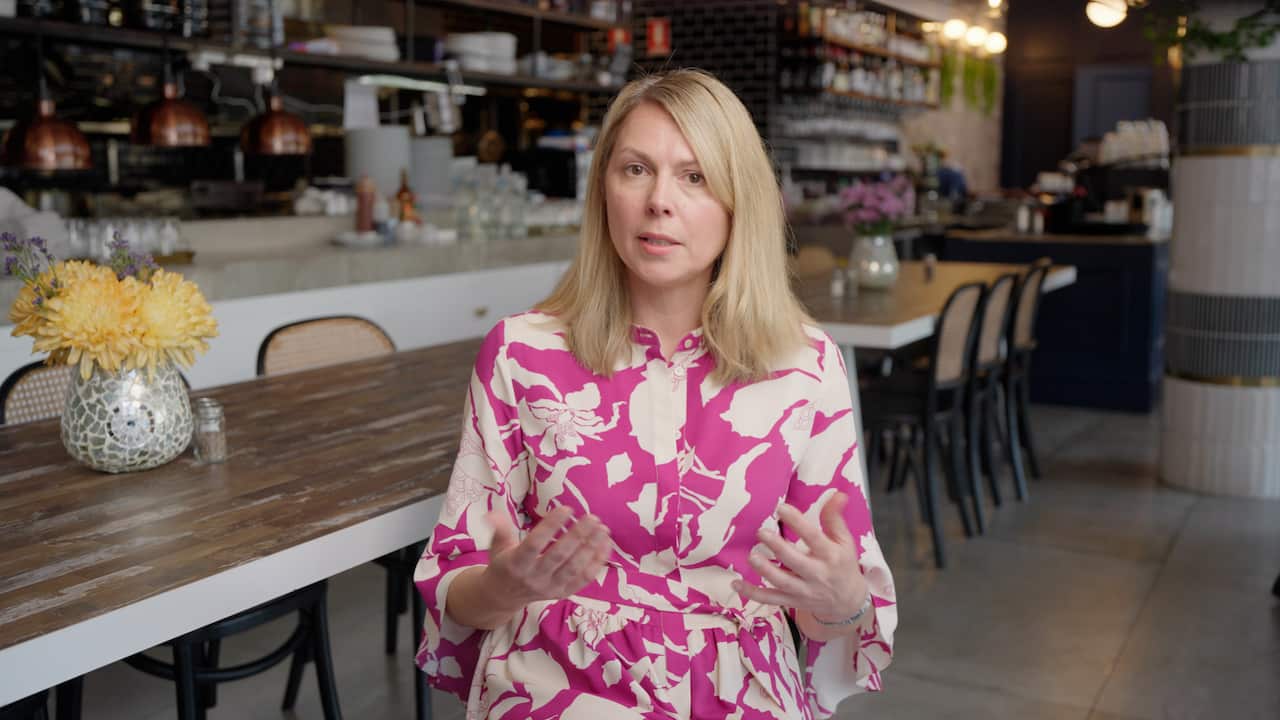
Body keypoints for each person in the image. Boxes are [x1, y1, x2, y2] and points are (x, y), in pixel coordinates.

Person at [414, 69, 897, 720]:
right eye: (636, 169)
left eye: (694, 177)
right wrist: (503, 586)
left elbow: (831, 613)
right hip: (555, 687)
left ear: (739, 202)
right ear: (603, 190)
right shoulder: (520, 353)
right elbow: (455, 582)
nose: (659, 201)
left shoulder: (806, 367)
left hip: (743, 693)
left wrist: (843, 603)